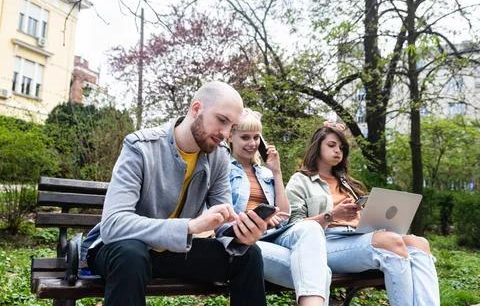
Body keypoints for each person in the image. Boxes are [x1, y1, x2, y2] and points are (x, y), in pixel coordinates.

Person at [80, 82, 270, 306]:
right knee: (131, 255)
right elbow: (113, 225)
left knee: (249, 254)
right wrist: (189, 227)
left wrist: (240, 233)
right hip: (119, 249)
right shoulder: (140, 147)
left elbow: (223, 222)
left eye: (232, 126)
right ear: (196, 109)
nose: (226, 134)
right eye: (222, 120)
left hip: (174, 251)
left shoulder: (218, 156)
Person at [285, 123, 440, 306]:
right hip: (325, 243)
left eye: (341, 148)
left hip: (357, 237)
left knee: (419, 243)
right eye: (332, 145)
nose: (338, 151)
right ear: (317, 146)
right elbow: (293, 226)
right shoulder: (300, 181)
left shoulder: (347, 182)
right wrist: (332, 215)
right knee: (391, 242)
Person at [227, 108, 331, 306]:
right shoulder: (222, 168)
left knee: (311, 227)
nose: (252, 144)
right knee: (322, 273)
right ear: (231, 137)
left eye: (256, 137)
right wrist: (257, 218)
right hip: (247, 240)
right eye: (245, 137)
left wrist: (276, 172)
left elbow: (284, 215)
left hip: (274, 236)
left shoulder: (266, 174)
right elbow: (222, 215)